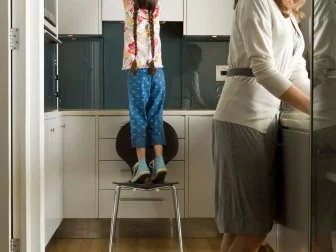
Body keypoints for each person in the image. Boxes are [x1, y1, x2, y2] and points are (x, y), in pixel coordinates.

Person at [213, 0, 310, 251]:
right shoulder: (255, 1)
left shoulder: (289, 16)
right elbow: (263, 68)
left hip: (263, 120)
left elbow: (296, 72)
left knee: (240, 227)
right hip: (242, 117)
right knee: (254, 229)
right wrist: (315, 108)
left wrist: (324, 103)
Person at [122, 0, 167, 184]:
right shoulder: (156, 7)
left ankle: (141, 164)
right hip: (158, 71)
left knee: (139, 116)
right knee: (156, 115)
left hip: (137, 71)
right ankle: (159, 161)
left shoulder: (129, 7)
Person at [182, 43, 208, 109]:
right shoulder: (192, 74)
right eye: (199, 56)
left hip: (172, 107)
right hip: (184, 107)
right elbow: (197, 98)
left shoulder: (178, 73)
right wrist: (206, 108)